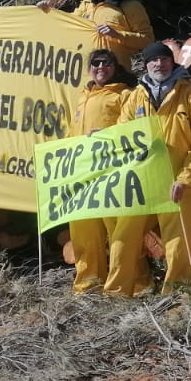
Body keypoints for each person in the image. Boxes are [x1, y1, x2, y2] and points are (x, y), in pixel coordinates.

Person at [109, 41, 191, 295]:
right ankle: (118, 291)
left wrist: (186, 178)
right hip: (141, 180)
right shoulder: (136, 95)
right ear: (146, 65)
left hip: (179, 182)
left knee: (182, 241)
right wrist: (100, 137)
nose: (159, 64)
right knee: (123, 234)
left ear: (173, 62)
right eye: (153, 60)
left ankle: (181, 293)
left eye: (164, 59)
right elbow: (122, 135)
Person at [66, 48, 134, 293]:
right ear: (89, 68)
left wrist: (108, 136)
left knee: (118, 231)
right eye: (95, 63)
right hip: (83, 175)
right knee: (83, 231)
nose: (101, 67)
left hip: (111, 173)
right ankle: (88, 282)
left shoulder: (125, 94)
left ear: (115, 67)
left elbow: (132, 129)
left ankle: (131, 283)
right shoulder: (82, 97)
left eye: (106, 63)